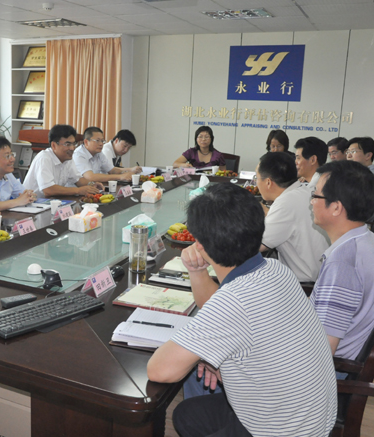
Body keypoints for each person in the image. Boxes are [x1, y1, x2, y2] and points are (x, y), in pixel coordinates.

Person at [147, 183, 337, 437]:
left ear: (199, 243)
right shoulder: (276, 269)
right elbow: (219, 308)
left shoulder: (234, 302)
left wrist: (202, 355)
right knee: (187, 415)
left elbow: (159, 370)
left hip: (283, 430)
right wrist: (197, 270)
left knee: (188, 413)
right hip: (311, 417)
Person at [310, 160, 374, 363]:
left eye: (315, 195)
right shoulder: (366, 240)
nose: (311, 202)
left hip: (334, 370)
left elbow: (324, 348)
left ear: (336, 207)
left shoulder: (343, 262)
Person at [256, 152, 329, 282]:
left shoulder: (285, 203)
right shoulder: (304, 191)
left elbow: (254, 246)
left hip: (305, 284)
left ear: (268, 182)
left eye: (256, 178)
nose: (256, 183)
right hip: (322, 273)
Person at [22, 124, 104, 197]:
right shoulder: (44, 158)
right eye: (67, 144)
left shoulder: (67, 158)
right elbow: (48, 190)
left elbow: (78, 180)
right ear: (54, 145)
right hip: (32, 203)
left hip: (53, 202)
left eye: (74, 144)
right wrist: (78, 190)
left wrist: (92, 184)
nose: (72, 148)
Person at [72, 127, 142, 183]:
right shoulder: (79, 155)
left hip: (93, 188)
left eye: (102, 141)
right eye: (97, 140)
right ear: (86, 142)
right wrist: (120, 176)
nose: (101, 144)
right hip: (76, 192)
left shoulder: (99, 153)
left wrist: (129, 172)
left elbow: (112, 170)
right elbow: (90, 177)